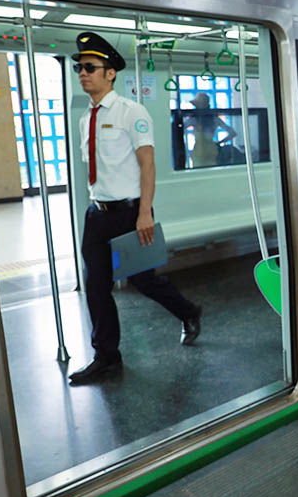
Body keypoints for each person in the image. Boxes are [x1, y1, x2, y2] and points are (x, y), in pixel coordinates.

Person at [69, 32, 202, 385]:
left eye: (90, 67)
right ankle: (107, 357)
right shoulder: (86, 118)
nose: (83, 73)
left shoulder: (132, 112)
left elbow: (148, 165)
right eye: (79, 68)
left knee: (144, 281)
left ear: (110, 73)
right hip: (97, 215)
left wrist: (145, 212)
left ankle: (188, 311)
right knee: (96, 286)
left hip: (131, 214)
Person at [186, 92, 237, 168]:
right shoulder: (214, 119)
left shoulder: (194, 119)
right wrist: (219, 143)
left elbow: (179, 127)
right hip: (212, 150)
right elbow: (233, 133)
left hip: (199, 151)